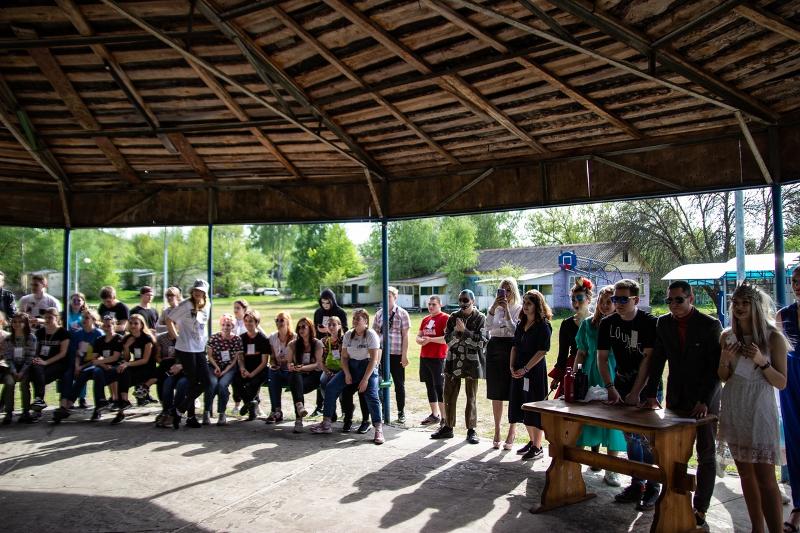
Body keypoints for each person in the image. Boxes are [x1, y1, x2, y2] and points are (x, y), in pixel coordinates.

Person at [644, 280, 722, 530]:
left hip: (705, 399)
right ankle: (675, 500)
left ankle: (700, 508)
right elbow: (658, 359)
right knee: (675, 452)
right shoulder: (663, 323)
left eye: (678, 299)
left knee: (705, 453)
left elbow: (715, 368)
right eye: (669, 300)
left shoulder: (710, 325)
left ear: (691, 298)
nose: (673, 305)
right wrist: (650, 393)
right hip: (676, 397)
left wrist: (704, 401)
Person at [718, 282, 788, 533]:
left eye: (745, 303)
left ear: (757, 305)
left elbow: (781, 382)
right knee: (745, 474)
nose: (739, 307)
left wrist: (762, 361)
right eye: (735, 303)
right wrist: (725, 359)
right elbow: (723, 376)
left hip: (760, 407)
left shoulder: (773, 338)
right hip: (734, 405)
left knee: (766, 478)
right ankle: (756, 527)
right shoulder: (727, 336)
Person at [596, 278, 660, 511]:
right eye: (616, 299)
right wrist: (610, 387)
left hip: (647, 386)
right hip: (621, 384)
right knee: (630, 437)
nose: (618, 304)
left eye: (624, 299)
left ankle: (653, 486)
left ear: (636, 299)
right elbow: (602, 358)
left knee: (648, 439)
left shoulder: (648, 322)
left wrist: (637, 392)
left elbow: (649, 360)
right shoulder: (608, 323)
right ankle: (637, 483)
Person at [572, 284, 625, 486]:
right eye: (602, 301)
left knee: (613, 421)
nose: (604, 305)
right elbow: (581, 352)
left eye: (609, 302)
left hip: (613, 373)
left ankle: (612, 469)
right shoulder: (588, 324)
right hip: (590, 373)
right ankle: (583, 463)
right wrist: (576, 373)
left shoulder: (621, 325)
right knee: (586, 419)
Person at [311, 308, 384, 444]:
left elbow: (374, 360)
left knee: (372, 395)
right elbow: (344, 358)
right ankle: (326, 423)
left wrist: (365, 380)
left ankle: (378, 428)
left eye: (358, 319)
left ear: (366, 321)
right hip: (351, 367)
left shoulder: (371, 334)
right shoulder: (349, 335)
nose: (355, 321)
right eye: (354, 318)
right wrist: (347, 373)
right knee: (331, 386)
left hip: (368, 368)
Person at [431, 289, 487, 444]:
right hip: (453, 361)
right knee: (449, 394)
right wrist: (457, 332)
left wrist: (465, 332)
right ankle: (448, 427)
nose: (462, 303)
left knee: (471, 397)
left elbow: (482, 342)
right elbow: (448, 340)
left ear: (473, 301)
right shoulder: (453, 317)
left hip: (472, 362)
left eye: (466, 300)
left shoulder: (481, 318)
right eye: (460, 300)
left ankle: (471, 430)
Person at [507, 290, 551, 461]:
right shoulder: (521, 323)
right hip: (519, 370)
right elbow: (514, 346)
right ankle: (532, 441)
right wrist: (512, 366)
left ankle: (538, 446)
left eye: (529, 303)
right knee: (522, 404)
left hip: (534, 371)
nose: (525, 306)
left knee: (534, 405)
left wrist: (526, 369)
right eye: (524, 302)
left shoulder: (543, 325)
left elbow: (542, 351)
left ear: (537, 305)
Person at [165, 279, 211, 429]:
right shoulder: (185, 305)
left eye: (201, 291)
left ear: (205, 293)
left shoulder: (207, 304)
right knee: (192, 382)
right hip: (185, 348)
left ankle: (179, 409)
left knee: (206, 382)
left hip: (199, 348)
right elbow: (169, 320)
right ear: (192, 291)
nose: (198, 293)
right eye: (196, 290)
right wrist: (176, 337)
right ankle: (190, 417)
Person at [56, 310, 114, 422]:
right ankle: (64, 405)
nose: (84, 320)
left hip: (94, 363)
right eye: (82, 317)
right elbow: (76, 353)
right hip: (80, 364)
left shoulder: (98, 334)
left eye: (87, 318)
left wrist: (82, 367)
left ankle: (96, 408)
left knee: (89, 374)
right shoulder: (78, 334)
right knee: (67, 374)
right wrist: (77, 366)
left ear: (93, 320)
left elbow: (98, 357)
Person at [484, 279, 521, 449]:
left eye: (508, 290)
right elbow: (487, 327)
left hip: (510, 347)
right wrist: (494, 307)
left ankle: (512, 430)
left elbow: (514, 330)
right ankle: (497, 429)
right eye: (502, 290)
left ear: (513, 291)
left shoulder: (518, 308)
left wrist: (506, 311)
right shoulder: (494, 308)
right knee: (496, 392)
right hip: (494, 347)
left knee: (513, 390)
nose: (505, 293)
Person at [778, 265, 800, 533]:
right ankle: (798, 506)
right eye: (794, 281)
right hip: (791, 384)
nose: (797, 286)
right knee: (795, 444)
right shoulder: (783, 315)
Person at [372, 286, 410, 424]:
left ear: (395, 297)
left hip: (397, 353)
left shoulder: (402, 313)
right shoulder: (379, 314)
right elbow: (374, 334)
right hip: (382, 353)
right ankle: (382, 411)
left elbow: (405, 336)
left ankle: (401, 412)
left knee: (399, 384)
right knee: (380, 382)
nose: (386, 299)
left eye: (389, 296)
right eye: (384, 297)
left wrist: (404, 355)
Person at [549, 277, 593, 398]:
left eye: (580, 299)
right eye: (573, 299)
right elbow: (562, 354)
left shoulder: (598, 321)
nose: (576, 303)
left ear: (588, 299)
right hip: (574, 366)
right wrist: (558, 377)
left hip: (593, 364)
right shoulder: (566, 324)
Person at [28, 307, 71, 418]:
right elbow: (36, 349)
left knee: (39, 376)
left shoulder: (63, 333)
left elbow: (63, 353)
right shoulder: (40, 332)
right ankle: (38, 402)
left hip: (58, 363)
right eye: (46, 317)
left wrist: (46, 362)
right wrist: (36, 358)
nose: (47, 320)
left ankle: (38, 403)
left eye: (50, 318)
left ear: (57, 318)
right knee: (36, 370)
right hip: (41, 362)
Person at [312, 289, 348, 416]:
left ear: (332, 301)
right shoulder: (318, 312)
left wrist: (329, 330)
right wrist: (320, 332)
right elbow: (315, 331)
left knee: (339, 382)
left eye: (328, 303)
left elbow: (345, 330)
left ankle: (344, 409)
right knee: (322, 378)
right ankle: (320, 407)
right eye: (323, 303)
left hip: (338, 349)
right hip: (323, 347)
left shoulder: (340, 312)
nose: (325, 305)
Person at [416, 295, 450, 428]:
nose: (430, 306)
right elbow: (418, 336)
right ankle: (434, 415)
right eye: (429, 304)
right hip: (425, 357)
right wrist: (421, 341)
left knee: (439, 387)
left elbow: (447, 338)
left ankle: (444, 418)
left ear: (440, 305)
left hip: (438, 358)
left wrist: (430, 340)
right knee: (429, 386)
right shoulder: (425, 319)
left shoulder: (445, 318)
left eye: (434, 304)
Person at [286, 317, 324, 432]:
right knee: (295, 376)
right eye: (299, 327)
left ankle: (298, 419)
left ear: (310, 328)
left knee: (296, 386)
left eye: (304, 327)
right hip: (298, 375)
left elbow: (318, 364)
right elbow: (289, 363)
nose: (301, 329)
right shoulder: (293, 344)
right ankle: (300, 408)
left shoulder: (317, 343)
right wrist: (291, 366)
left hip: (314, 375)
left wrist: (302, 368)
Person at [204, 314, 242, 426]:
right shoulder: (214, 338)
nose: (226, 327)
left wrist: (225, 371)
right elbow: (209, 356)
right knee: (212, 384)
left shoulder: (237, 339)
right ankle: (206, 412)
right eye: (224, 324)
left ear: (233, 326)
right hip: (213, 366)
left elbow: (234, 360)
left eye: (228, 325)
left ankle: (222, 413)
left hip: (229, 368)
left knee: (222, 385)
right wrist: (216, 367)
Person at [1, 313, 37, 424]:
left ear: (25, 323)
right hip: (12, 367)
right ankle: (8, 413)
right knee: (9, 382)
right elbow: (7, 357)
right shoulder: (8, 339)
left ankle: (25, 412)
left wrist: (21, 372)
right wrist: (14, 371)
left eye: (20, 322)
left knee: (24, 384)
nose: (17, 324)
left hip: (26, 367)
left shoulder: (31, 338)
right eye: (14, 322)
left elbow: (30, 357)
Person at [238, 309, 270, 422]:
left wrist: (252, 374)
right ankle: (251, 403)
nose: (248, 323)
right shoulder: (241, 338)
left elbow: (264, 362)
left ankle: (250, 407)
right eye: (246, 321)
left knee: (254, 382)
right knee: (236, 380)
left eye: (251, 321)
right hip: (246, 368)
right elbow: (240, 357)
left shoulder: (263, 339)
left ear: (256, 323)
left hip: (260, 370)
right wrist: (242, 368)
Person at [266, 311, 295, 424]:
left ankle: (276, 411)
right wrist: (273, 364)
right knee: (272, 373)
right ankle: (276, 411)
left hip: (290, 370)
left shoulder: (295, 337)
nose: (278, 322)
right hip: (278, 370)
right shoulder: (272, 337)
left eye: (282, 320)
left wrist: (286, 360)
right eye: (276, 320)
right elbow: (272, 357)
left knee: (278, 376)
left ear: (288, 321)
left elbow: (297, 359)